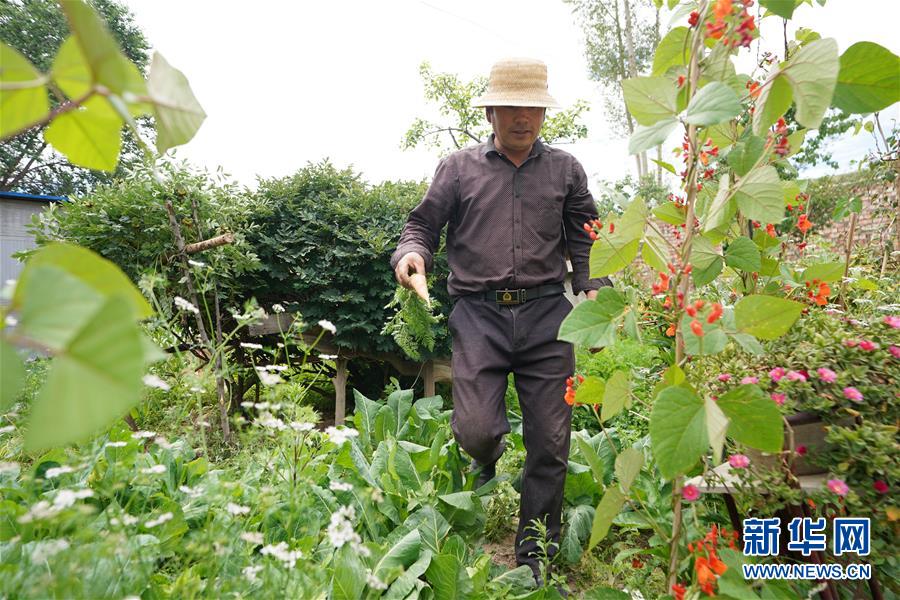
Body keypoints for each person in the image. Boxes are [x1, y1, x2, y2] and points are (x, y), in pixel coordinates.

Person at [390, 57, 611, 585]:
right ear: (490, 110)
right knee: (476, 430)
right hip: (478, 316)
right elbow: (421, 225)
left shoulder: (565, 169)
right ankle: (485, 456)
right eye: (511, 107)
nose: (522, 118)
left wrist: (598, 299)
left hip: (546, 316)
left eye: (532, 108)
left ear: (542, 113)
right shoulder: (458, 168)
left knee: (552, 442)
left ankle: (535, 554)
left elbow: (586, 239)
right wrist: (411, 257)